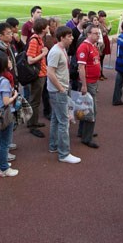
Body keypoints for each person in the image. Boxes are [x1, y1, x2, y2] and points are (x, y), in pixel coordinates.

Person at [47, 26, 81, 164]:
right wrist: (61, 88)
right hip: (58, 91)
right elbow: (50, 72)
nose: (72, 38)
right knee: (63, 121)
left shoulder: (61, 50)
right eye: (69, 36)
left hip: (59, 89)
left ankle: (54, 145)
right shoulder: (56, 52)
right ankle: (64, 153)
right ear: (62, 37)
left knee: (56, 118)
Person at [0, 52, 19, 177]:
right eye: (8, 60)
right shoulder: (5, 81)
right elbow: (6, 101)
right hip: (4, 115)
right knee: (5, 142)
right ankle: (4, 168)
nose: (10, 61)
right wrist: (15, 95)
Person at [76, 24, 102, 148]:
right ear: (88, 34)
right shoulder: (84, 47)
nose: (98, 35)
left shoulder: (92, 46)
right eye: (95, 33)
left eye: (98, 33)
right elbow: (81, 67)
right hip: (89, 82)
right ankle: (87, 138)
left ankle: (83, 132)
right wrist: (84, 85)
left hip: (93, 81)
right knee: (91, 110)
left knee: (85, 108)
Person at [26, 17, 49, 138]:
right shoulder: (35, 40)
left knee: (36, 100)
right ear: (43, 28)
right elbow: (30, 60)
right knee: (34, 101)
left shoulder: (39, 39)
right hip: (38, 74)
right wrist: (43, 54)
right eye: (47, 26)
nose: (49, 27)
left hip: (41, 73)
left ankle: (33, 122)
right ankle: (32, 125)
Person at [98, 10, 112, 81]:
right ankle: (99, 74)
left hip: (105, 41)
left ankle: (101, 73)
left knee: (102, 59)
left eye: (104, 17)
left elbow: (106, 32)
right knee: (100, 59)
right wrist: (107, 30)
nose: (104, 19)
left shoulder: (103, 23)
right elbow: (102, 34)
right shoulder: (99, 24)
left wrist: (109, 29)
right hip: (102, 42)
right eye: (102, 17)